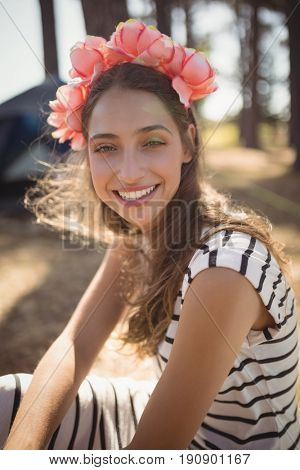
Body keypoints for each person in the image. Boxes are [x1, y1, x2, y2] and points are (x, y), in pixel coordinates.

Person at [0, 18, 299, 450]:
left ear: (189, 143)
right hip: (152, 414)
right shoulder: (142, 235)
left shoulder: (225, 269)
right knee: (10, 398)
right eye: (106, 147)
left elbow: (155, 453)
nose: (128, 171)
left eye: (152, 142)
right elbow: (74, 346)